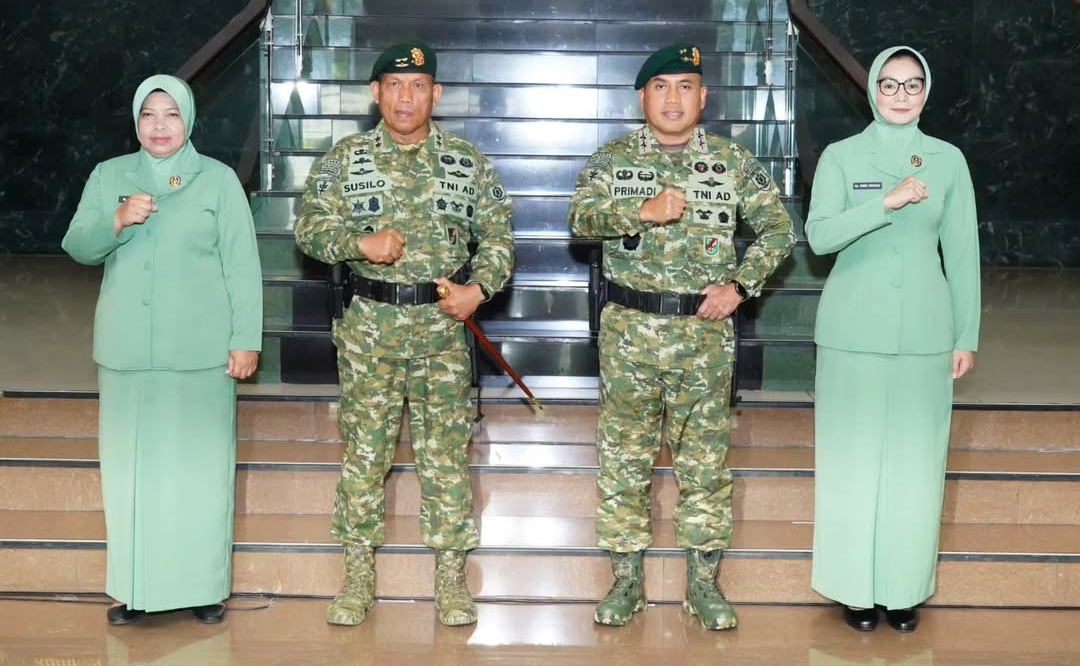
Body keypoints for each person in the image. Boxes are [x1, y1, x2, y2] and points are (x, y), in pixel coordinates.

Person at [568, 43, 796, 630]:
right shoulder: (613, 159)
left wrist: (740, 286)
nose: (673, 98)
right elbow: (580, 219)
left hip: (704, 336)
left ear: (703, 96)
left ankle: (703, 585)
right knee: (624, 462)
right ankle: (626, 582)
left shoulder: (731, 160)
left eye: (685, 86)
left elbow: (778, 230)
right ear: (642, 97)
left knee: (705, 466)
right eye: (661, 87)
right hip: (630, 335)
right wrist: (640, 212)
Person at [293, 41, 514, 628]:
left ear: (435, 94)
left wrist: (478, 290)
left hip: (442, 336)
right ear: (376, 93)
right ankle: (357, 577)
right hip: (370, 335)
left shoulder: (466, 162)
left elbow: (498, 236)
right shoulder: (346, 159)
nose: (405, 97)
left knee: (446, 461)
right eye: (394, 85)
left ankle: (451, 578)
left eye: (418, 86)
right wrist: (357, 244)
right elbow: (309, 228)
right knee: (364, 458)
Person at [61, 74, 263, 625]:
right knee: (130, 476)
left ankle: (203, 588)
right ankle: (133, 589)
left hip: (201, 354)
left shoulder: (217, 180)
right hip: (127, 354)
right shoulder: (109, 176)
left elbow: (242, 265)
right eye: (149, 114)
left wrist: (245, 339)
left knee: (200, 473)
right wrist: (117, 221)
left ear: (189, 120)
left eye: (171, 114)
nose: (159, 126)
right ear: (136, 121)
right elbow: (77, 246)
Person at [805, 46, 981, 633]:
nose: (900, 95)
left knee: (916, 466)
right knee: (851, 463)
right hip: (851, 331)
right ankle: (853, 589)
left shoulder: (949, 161)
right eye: (888, 84)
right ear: (872, 90)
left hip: (926, 334)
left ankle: (903, 589)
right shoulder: (841, 156)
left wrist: (966, 333)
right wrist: (885, 202)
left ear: (926, 92)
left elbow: (963, 253)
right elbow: (820, 237)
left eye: (911, 84)